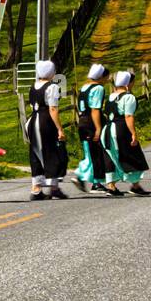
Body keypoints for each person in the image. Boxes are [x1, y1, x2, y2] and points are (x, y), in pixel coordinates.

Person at [101, 70, 151, 196]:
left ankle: (111, 186)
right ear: (128, 83)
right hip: (120, 129)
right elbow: (128, 116)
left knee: (111, 156)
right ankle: (135, 185)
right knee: (132, 154)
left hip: (106, 130)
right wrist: (133, 133)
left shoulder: (111, 96)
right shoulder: (129, 97)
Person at [26, 60, 69, 200]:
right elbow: (53, 109)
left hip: (32, 121)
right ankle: (52, 187)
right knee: (51, 151)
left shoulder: (33, 86)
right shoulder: (52, 87)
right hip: (45, 121)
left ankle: (38, 188)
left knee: (36, 153)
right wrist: (60, 128)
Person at [70, 63, 112, 193]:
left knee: (91, 152)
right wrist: (98, 128)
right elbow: (95, 109)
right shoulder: (98, 88)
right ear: (101, 77)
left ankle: (96, 182)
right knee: (95, 153)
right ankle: (81, 177)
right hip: (91, 122)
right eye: (106, 78)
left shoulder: (84, 87)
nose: (106, 80)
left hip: (82, 121)